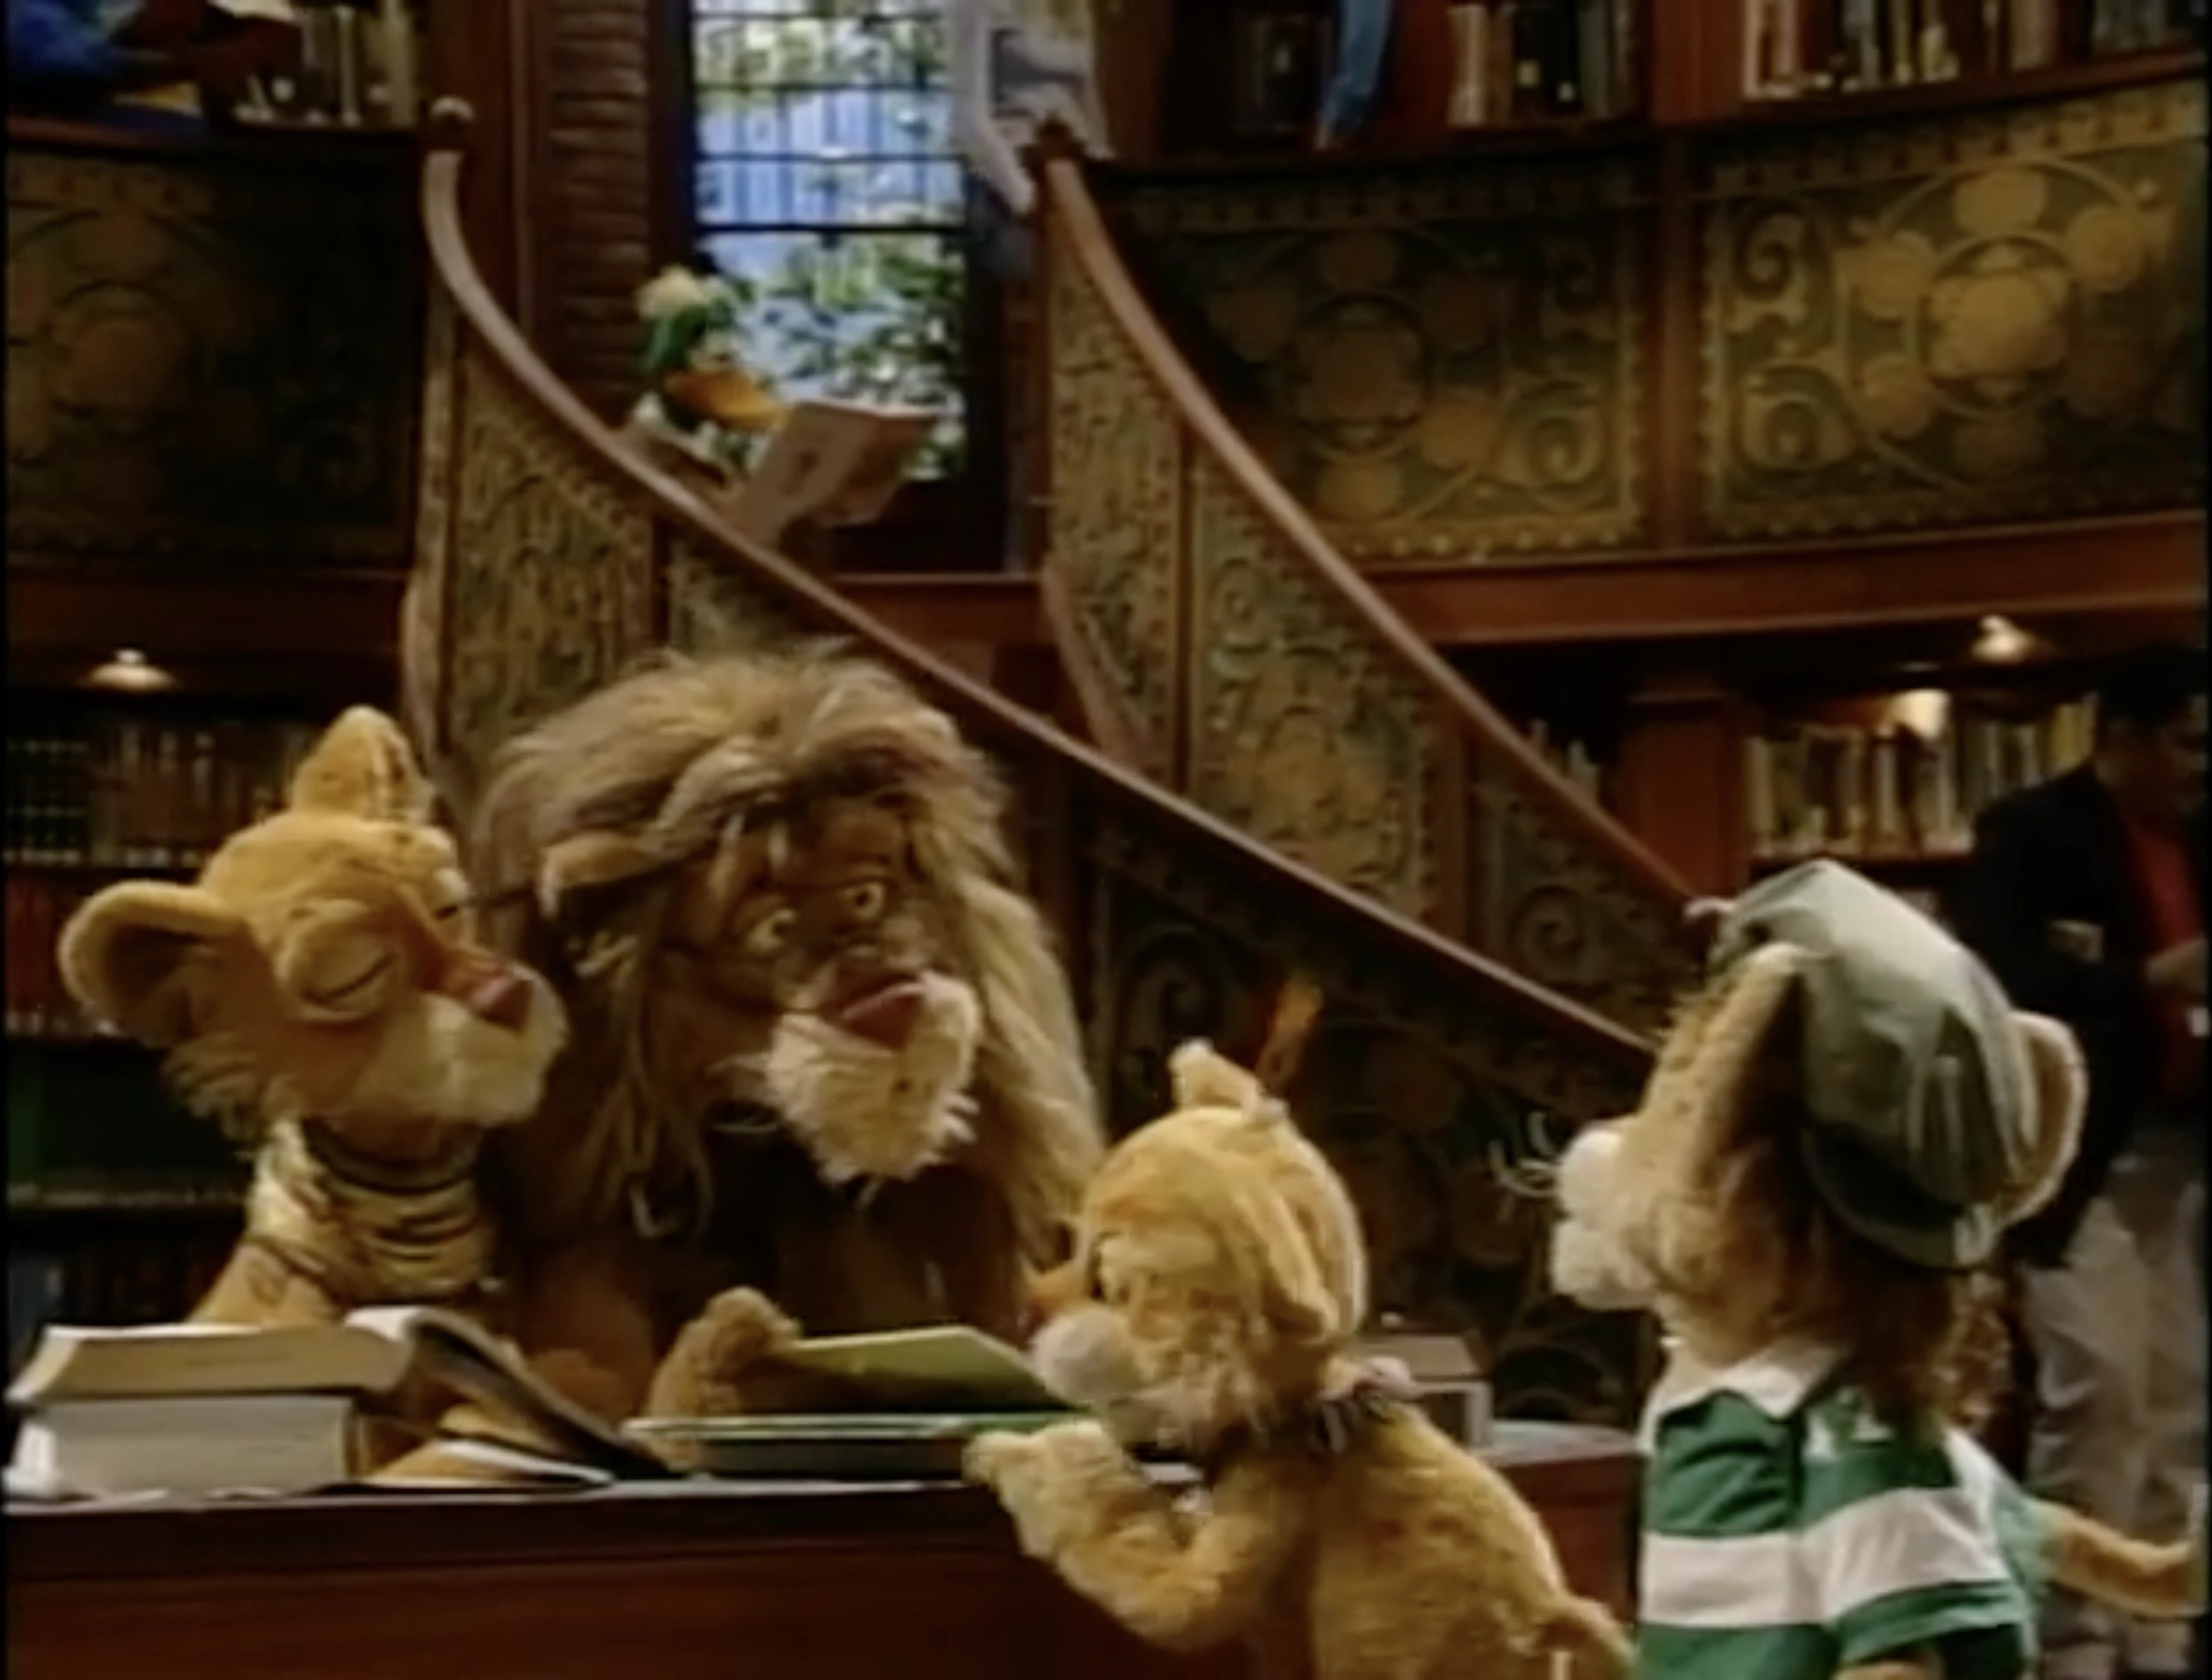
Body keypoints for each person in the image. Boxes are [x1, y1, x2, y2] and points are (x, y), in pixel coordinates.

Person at [1956, 639, 2206, 1680]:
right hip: (2083, 1159)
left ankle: (2163, 1631)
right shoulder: (2031, 833)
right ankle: (2073, 1640)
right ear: (2122, 738)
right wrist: (2151, 977)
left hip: (2188, 1148)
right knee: (2098, 1390)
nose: (2204, 767)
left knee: (2182, 1395)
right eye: (2190, 744)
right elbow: (1998, 987)